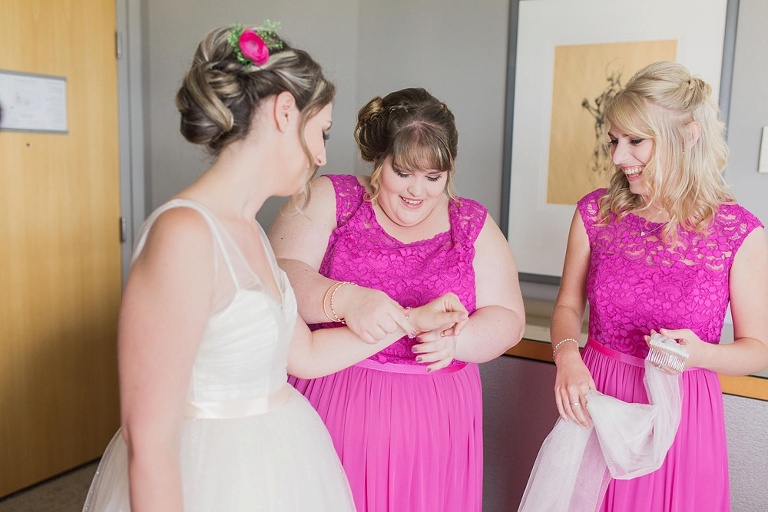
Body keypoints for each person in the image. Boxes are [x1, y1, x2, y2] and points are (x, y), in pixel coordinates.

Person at [81, 25, 468, 512]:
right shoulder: (184, 234)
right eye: (321, 131)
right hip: (210, 478)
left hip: (277, 466)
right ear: (286, 113)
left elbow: (301, 355)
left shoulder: (251, 232)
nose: (324, 155)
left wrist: (410, 322)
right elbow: (150, 440)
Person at [268, 87, 526, 512]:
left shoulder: (471, 223)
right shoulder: (332, 199)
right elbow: (281, 275)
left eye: (433, 177)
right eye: (403, 172)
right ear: (378, 159)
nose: (417, 192)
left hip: (438, 426)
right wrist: (344, 300)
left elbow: (509, 316)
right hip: (336, 404)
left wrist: (459, 341)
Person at [550, 60, 768, 511]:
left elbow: (759, 347)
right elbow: (568, 306)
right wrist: (567, 355)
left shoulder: (738, 233)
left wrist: (701, 355)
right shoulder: (596, 214)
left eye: (635, 141)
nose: (617, 157)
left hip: (681, 416)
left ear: (686, 136)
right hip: (597, 401)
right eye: (614, 141)